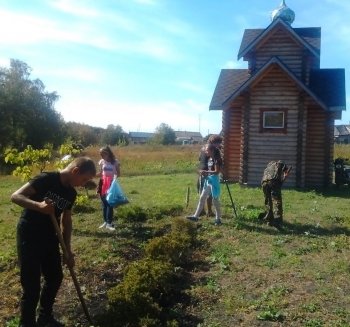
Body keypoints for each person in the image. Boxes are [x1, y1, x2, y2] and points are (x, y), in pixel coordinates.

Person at [11, 157, 96, 327]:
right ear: (75, 171)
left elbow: (66, 220)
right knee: (31, 285)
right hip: (30, 234)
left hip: (50, 236)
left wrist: (68, 250)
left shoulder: (70, 193)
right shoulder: (46, 179)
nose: (83, 184)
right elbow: (15, 196)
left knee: (55, 277)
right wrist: (39, 206)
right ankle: (26, 323)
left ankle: (45, 317)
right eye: (84, 179)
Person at [187, 143, 223, 225]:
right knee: (202, 197)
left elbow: (217, 172)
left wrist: (206, 172)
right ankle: (195, 216)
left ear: (212, 150)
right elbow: (209, 169)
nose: (206, 151)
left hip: (214, 181)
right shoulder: (210, 159)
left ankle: (218, 219)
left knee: (215, 200)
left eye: (207, 150)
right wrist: (203, 172)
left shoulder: (217, 159)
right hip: (208, 179)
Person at [197, 134, 223, 217]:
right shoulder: (214, 150)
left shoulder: (203, 148)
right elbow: (218, 162)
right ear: (213, 142)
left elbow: (199, 159)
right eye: (218, 143)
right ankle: (209, 211)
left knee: (202, 192)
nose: (219, 144)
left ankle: (202, 211)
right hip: (209, 172)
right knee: (210, 193)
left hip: (201, 171)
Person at [261, 160, 291, 228]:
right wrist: (285, 176)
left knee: (268, 201)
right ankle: (277, 221)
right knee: (277, 201)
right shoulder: (281, 163)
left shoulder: (269, 165)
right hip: (273, 182)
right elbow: (285, 171)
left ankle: (269, 220)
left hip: (264, 182)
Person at [97, 146, 120, 231]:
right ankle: (105, 221)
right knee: (104, 204)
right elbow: (100, 173)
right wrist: (90, 175)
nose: (102, 156)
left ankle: (109, 223)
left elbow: (118, 173)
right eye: (100, 154)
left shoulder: (115, 162)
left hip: (111, 183)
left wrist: (113, 180)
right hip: (102, 183)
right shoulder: (102, 162)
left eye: (103, 154)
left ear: (108, 153)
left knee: (109, 203)